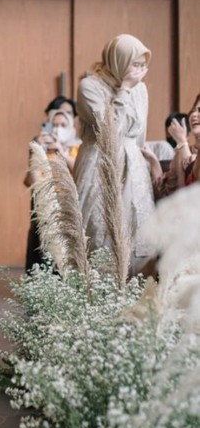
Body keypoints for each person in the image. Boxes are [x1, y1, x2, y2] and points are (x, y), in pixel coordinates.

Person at [73, 34, 154, 272]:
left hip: (133, 161)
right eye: (135, 64)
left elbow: (139, 133)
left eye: (143, 65)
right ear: (118, 61)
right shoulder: (90, 86)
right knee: (99, 228)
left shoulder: (141, 89)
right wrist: (123, 90)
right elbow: (108, 130)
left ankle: (132, 292)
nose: (140, 71)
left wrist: (141, 161)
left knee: (136, 226)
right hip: (100, 159)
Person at [24, 107, 81, 271]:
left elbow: (80, 173)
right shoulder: (43, 150)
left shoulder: (77, 148)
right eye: (54, 124)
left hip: (68, 209)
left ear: (71, 129)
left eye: (63, 125)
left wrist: (61, 151)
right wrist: (35, 153)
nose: (58, 128)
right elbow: (31, 182)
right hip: (45, 208)